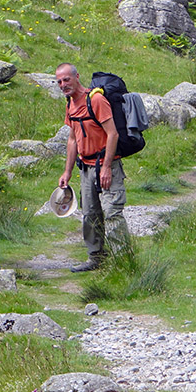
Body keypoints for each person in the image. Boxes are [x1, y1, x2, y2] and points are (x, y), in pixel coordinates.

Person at [56, 63, 130, 272]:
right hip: (86, 168)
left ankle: (123, 262)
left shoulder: (96, 99)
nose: (63, 85)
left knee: (112, 213)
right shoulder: (70, 103)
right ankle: (96, 258)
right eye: (59, 81)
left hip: (107, 166)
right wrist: (67, 172)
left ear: (77, 77)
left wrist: (106, 167)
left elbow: (113, 133)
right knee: (90, 215)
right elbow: (72, 139)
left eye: (66, 79)